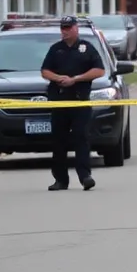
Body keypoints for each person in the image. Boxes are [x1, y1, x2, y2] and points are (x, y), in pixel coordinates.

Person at [40, 15, 106, 191]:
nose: (65, 31)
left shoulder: (86, 48)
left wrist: (76, 79)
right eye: (63, 28)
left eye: (69, 28)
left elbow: (99, 70)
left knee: (81, 138)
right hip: (59, 101)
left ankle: (85, 176)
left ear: (76, 28)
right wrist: (58, 78)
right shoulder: (56, 50)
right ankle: (60, 180)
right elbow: (45, 71)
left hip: (79, 101)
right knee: (58, 141)